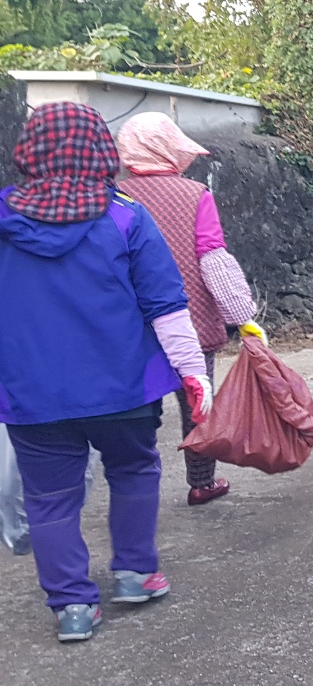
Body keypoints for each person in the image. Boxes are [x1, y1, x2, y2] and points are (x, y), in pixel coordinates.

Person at [0, 102, 212, 642]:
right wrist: (194, 373)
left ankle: (72, 606)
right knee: (135, 471)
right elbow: (166, 306)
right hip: (125, 388)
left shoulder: (4, 219)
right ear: (102, 151)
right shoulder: (125, 216)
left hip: (32, 394)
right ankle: (135, 573)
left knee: (48, 497)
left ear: (30, 152)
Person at [115, 112, 266, 506]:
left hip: (129, 325)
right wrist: (242, 317)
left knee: (138, 408)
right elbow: (212, 258)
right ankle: (202, 483)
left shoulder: (112, 195)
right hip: (192, 320)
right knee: (198, 404)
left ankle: (134, 483)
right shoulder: (194, 194)